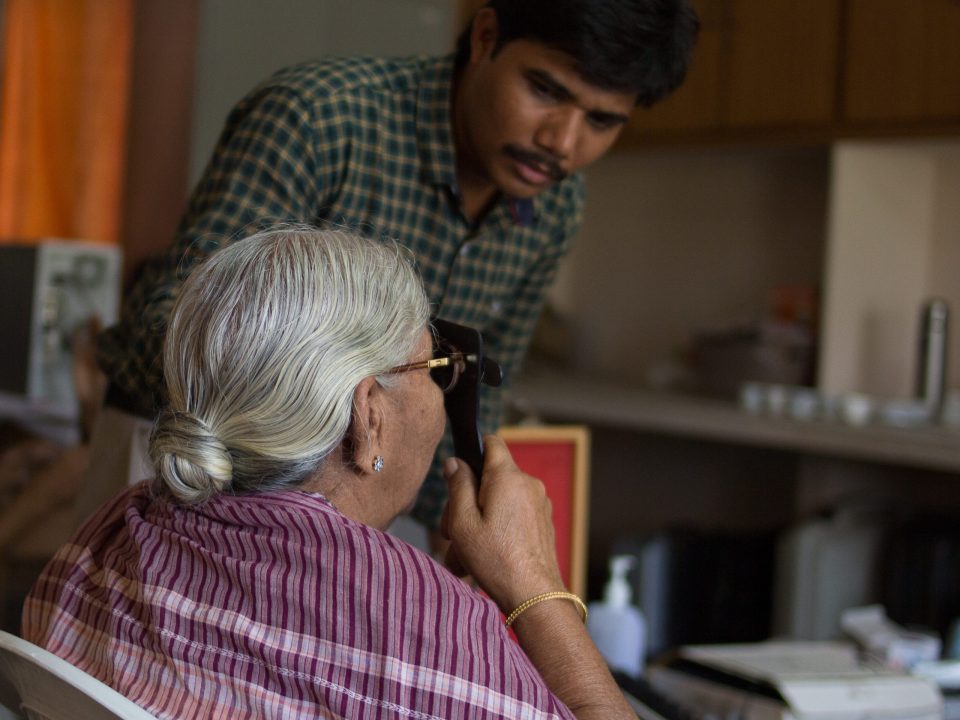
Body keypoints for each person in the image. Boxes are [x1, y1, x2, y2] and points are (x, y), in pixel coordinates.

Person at [88, 0, 700, 531]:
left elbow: (479, 391)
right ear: (485, 37)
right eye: (545, 90)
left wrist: (457, 521)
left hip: (368, 496)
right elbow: (175, 332)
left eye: (601, 120)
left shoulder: (557, 203)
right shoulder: (320, 118)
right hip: (184, 461)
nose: (561, 141)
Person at [24, 226, 636, 719]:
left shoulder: (114, 534)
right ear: (368, 418)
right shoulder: (432, 629)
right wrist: (534, 587)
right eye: (434, 368)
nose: (441, 395)